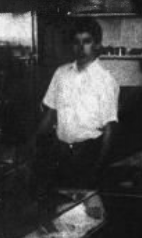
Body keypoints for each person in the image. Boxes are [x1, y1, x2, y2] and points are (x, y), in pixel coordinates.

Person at [30, 18, 120, 191]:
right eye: (76, 42)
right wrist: (34, 144)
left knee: (86, 211)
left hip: (89, 154)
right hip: (60, 153)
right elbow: (50, 114)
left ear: (97, 45)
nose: (81, 48)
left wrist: (98, 168)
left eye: (86, 41)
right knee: (60, 208)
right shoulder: (61, 74)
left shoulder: (106, 80)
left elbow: (110, 130)